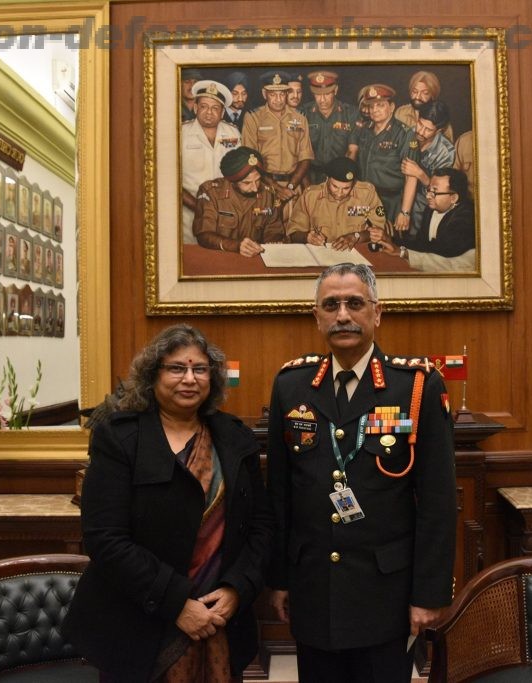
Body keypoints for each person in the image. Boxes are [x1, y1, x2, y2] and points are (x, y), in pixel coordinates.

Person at [266, 263, 456, 683]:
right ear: (316, 316)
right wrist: (279, 577)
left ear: (377, 312)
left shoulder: (416, 386)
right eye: (330, 305)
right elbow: (279, 495)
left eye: (355, 303)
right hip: (313, 584)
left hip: (384, 589)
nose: (343, 315)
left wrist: (429, 594)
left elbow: (439, 502)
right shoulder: (291, 385)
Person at [64, 324, 273, 682]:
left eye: (200, 369)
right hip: (136, 623)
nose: (189, 379)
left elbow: (262, 526)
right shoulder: (118, 437)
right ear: (152, 375)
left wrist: (237, 589)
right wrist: (176, 603)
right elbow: (105, 538)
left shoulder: (236, 438)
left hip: (219, 617)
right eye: (176, 368)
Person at [369, 168, 476, 272]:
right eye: (428, 190)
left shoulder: (466, 216)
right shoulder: (430, 209)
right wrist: (390, 240)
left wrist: (400, 250)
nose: (428, 196)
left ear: (453, 198)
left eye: (434, 192)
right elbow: (420, 243)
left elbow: (443, 250)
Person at [180, 80, 242, 245]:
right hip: (189, 213)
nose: (209, 112)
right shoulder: (180, 134)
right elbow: (170, 181)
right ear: (195, 108)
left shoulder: (233, 132)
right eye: (204, 106)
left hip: (226, 213)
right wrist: (200, 207)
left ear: (222, 112)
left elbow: (240, 172)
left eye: (215, 108)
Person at [193, 146, 285, 256]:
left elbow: (274, 230)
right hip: (220, 256)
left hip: (254, 258)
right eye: (247, 183)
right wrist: (235, 245)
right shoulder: (211, 192)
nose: (255, 188)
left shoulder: (268, 194)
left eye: (258, 180)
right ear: (232, 182)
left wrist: (272, 243)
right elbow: (204, 234)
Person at [346, 84, 415, 224]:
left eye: (380, 105)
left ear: (392, 107)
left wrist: (405, 212)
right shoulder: (364, 130)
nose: (374, 110)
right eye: (371, 106)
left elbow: (411, 177)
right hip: (363, 199)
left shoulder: (404, 134)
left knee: (386, 239)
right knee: (357, 233)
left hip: (389, 202)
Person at [241, 70, 313, 204]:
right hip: (263, 186)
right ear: (264, 94)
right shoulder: (253, 118)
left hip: (293, 187)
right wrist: (277, 188)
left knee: (294, 224)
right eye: (273, 94)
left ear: (287, 93)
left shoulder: (300, 118)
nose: (278, 100)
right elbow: (250, 160)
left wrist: (290, 187)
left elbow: (305, 157)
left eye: (282, 94)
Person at [286, 157, 387, 249]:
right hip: (322, 253)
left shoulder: (367, 193)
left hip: (357, 253)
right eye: (335, 187)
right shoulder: (310, 196)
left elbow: (379, 230)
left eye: (346, 188)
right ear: (327, 179)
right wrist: (307, 237)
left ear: (354, 182)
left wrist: (356, 236)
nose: (339, 193)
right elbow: (293, 233)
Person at [397, 101, 455, 237]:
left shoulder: (445, 152)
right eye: (420, 124)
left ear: (439, 130)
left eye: (428, 129)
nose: (420, 132)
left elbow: (440, 193)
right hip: (399, 198)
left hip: (425, 208)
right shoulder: (407, 134)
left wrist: (421, 174)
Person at [303, 70, 359, 185]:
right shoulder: (303, 113)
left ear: (336, 90)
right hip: (311, 176)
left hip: (339, 175)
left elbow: (352, 151)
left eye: (327, 93)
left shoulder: (350, 113)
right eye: (318, 94)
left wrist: (343, 179)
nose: (322, 99)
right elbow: (298, 154)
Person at [393, 71, 454, 141]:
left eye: (425, 93)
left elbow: (448, 147)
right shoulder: (401, 112)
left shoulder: (442, 118)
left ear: (432, 95)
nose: (418, 97)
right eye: (415, 91)